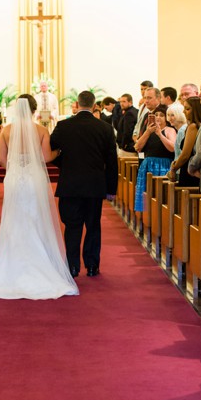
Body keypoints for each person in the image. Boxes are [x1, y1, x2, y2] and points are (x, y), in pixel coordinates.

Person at [0, 96, 78, 299]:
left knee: (15, 219)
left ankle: (12, 263)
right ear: (34, 109)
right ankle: (41, 263)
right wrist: (59, 152)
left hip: (15, 178)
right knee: (36, 218)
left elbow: (2, 160)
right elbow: (46, 157)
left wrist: (17, 164)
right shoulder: (40, 130)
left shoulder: (7, 130)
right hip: (33, 177)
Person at [50, 90, 119, 277]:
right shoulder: (104, 128)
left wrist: (64, 164)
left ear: (77, 104)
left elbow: (51, 150)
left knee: (72, 226)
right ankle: (92, 265)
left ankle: (72, 266)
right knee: (93, 225)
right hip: (95, 185)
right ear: (94, 105)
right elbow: (112, 160)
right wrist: (111, 188)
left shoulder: (63, 126)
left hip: (70, 184)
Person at [133, 105, 174, 213]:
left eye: (162, 115)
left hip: (163, 165)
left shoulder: (169, 130)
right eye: (156, 115)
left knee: (160, 196)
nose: (158, 117)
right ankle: (146, 218)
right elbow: (137, 147)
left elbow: (172, 148)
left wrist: (160, 134)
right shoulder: (148, 131)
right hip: (147, 165)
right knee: (146, 195)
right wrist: (148, 132)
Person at [167, 97, 201, 188]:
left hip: (189, 171)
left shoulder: (193, 127)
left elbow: (185, 154)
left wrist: (173, 168)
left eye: (187, 109)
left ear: (196, 110)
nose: (183, 112)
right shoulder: (199, 125)